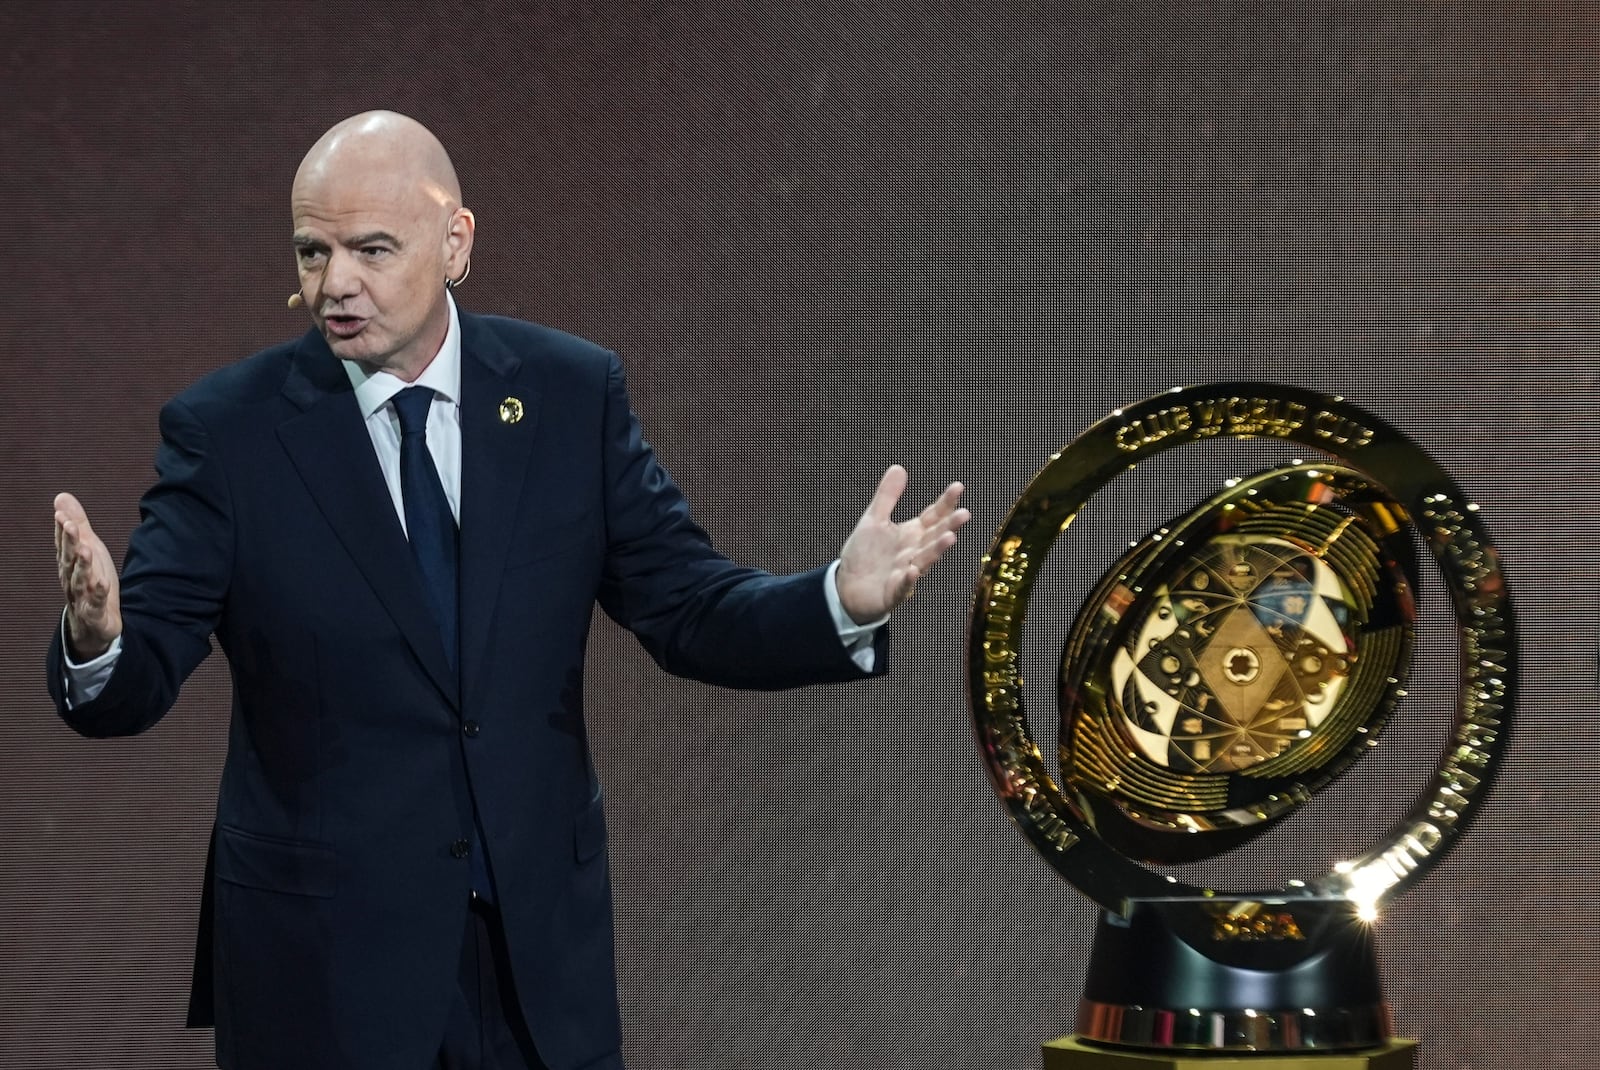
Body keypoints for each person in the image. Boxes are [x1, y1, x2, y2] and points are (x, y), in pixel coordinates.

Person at [48, 110, 968, 1070]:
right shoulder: (228, 432)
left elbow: (687, 607)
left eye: (371, 249)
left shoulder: (569, 395)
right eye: (312, 252)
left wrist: (837, 602)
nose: (335, 284)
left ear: (456, 242)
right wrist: (98, 633)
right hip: (324, 973)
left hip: (535, 965)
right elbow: (134, 677)